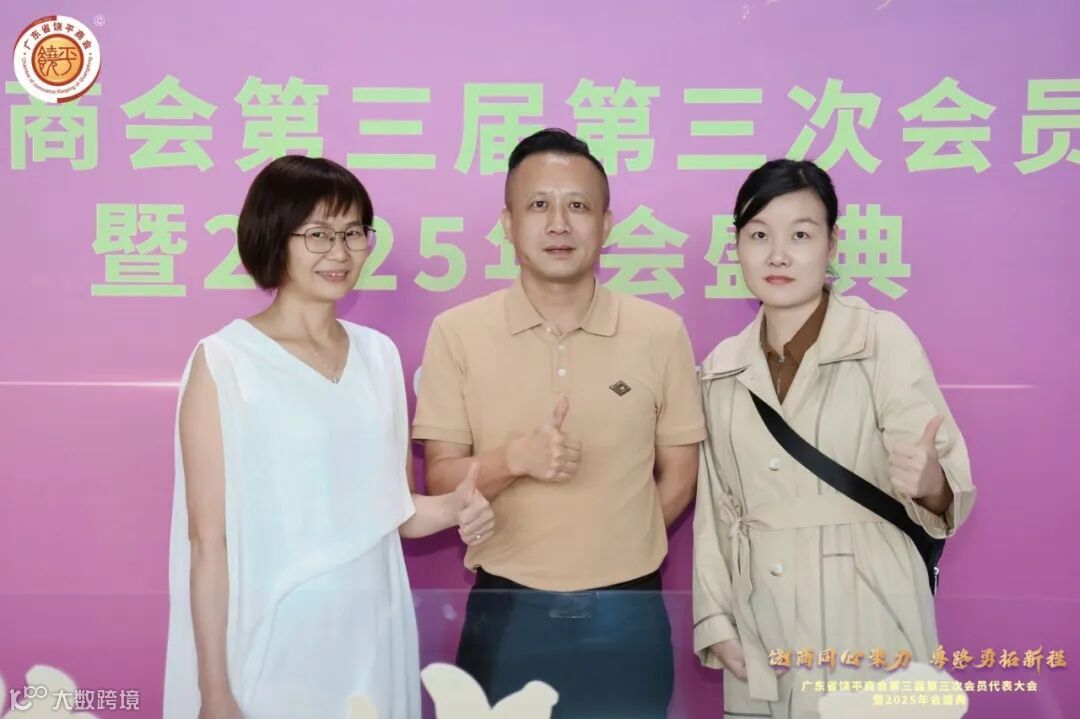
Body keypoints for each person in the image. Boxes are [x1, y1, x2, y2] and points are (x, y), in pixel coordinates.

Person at [162, 156, 494, 719]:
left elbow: (395, 511)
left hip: (371, 629)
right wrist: (213, 688)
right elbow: (207, 541)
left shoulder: (378, 355)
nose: (339, 252)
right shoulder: (225, 361)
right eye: (318, 234)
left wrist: (457, 506)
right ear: (274, 237)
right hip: (272, 635)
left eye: (353, 233)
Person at [412, 129, 705, 718]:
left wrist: (612, 547)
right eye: (538, 204)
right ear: (507, 222)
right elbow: (440, 480)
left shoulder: (660, 332)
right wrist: (515, 460)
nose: (558, 224)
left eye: (578, 206)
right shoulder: (457, 333)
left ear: (606, 223)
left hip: (628, 611)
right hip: (506, 608)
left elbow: (680, 474)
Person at [692, 158, 976, 718]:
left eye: (800, 235)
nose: (778, 255)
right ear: (737, 246)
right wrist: (715, 620)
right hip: (762, 623)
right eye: (759, 235)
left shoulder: (882, 339)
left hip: (871, 610)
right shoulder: (721, 367)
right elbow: (716, 508)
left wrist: (930, 482)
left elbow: (944, 488)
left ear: (832, 243)